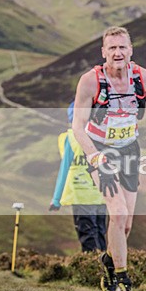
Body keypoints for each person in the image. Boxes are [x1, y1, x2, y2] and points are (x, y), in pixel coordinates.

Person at [72, 26, 146, 291]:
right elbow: (78, 126)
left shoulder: (142, 77)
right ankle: (122, 280)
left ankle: (108, 260)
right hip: (100, 151)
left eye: (122, 47)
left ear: (131, 50)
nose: (117, 52)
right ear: (103, 52)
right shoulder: (90, 81)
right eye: (112, 48)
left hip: (129, 149)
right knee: (117, 211)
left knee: (125, 225)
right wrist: (95, 158)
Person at [49, 101, 107, 254]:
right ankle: (107, 272)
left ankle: (92, 271)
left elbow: (64, 169)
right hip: (101, 196)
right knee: (101, 235)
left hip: (81, 195)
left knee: (88, 237)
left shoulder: (71, 138)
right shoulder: (102, 137)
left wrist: (56, 199)